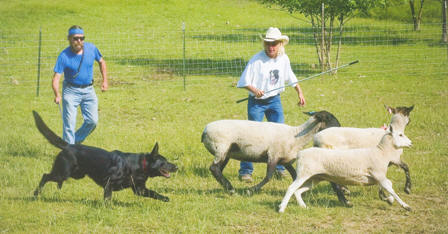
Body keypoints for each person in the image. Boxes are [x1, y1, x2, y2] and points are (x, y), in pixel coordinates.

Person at [236, 27, 306, 183]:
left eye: (274, 43)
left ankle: (279, 168)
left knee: (280, 135)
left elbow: (291, 77)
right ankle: (245, 171)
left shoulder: (284, 59)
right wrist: (254, 90)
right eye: (268, 43)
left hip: (275, 101)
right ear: (264, 44)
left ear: (280, 44)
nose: (271, 47)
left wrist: (299, 93)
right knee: (251, 136)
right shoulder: (256, 60)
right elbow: (243, 82)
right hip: (257, 103)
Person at [52, 25, 108, 144]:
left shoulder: (91, 49)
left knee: (92, 121)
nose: (79, 41)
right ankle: (69, 153)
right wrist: (57, 94)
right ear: (69, 39)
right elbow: (56, 78)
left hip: (89, 90)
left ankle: (73, 144)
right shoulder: (64, 56)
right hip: (70, 91)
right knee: (69, 125)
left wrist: (105, 81)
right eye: (75, 38)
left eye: (82, 38)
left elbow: (102, 62)